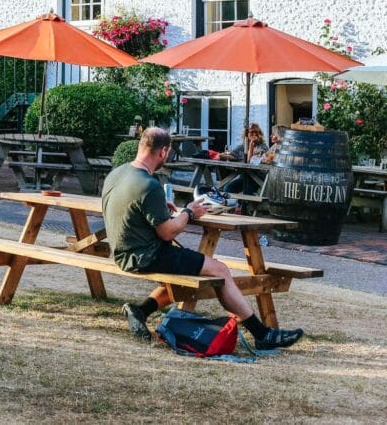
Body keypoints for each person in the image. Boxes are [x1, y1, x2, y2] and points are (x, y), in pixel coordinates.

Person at [103, 127, 302, 350]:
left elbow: (133, 212)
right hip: (144, 255)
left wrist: (161, 210)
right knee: (219, 270)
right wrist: (189, 213)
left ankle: (141, 310)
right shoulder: (149, 185)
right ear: (163, 152)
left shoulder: (117, 173)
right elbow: (168, 232)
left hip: (122, 251)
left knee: (190, 267)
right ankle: (262, 333)